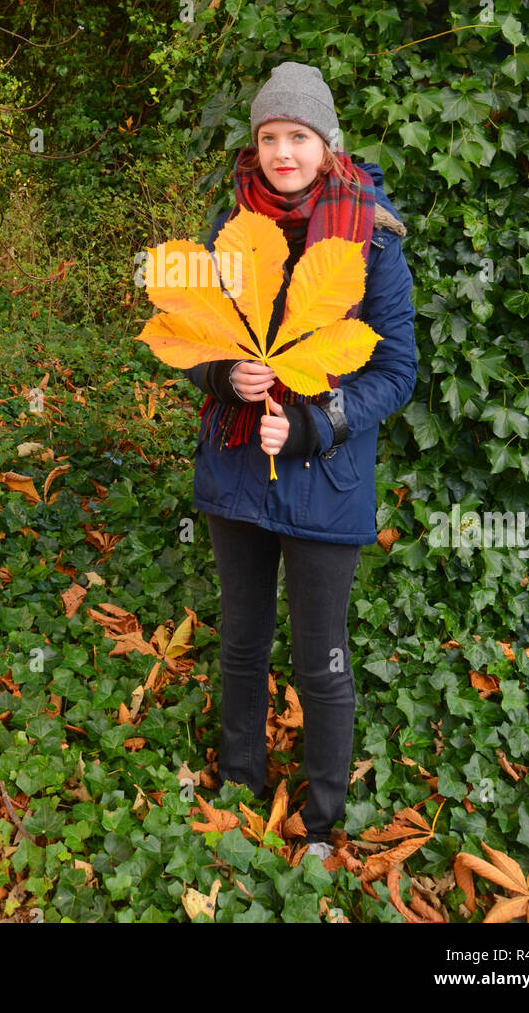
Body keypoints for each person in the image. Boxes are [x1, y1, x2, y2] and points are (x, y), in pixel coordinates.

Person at [185, 61, 417, 861]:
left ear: (325, 143)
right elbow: (191, 340)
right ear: (255, 146)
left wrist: (318, 425)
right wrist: (222, 373)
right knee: (242, 643)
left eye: (297, 135)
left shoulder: (372, 235)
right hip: (235, 471)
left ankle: (321, 823)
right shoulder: (230, 228)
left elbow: (395, 371)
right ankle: (238, 786)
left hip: (326, 480)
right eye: (268, 136)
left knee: (321, 659)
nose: (282, 151)